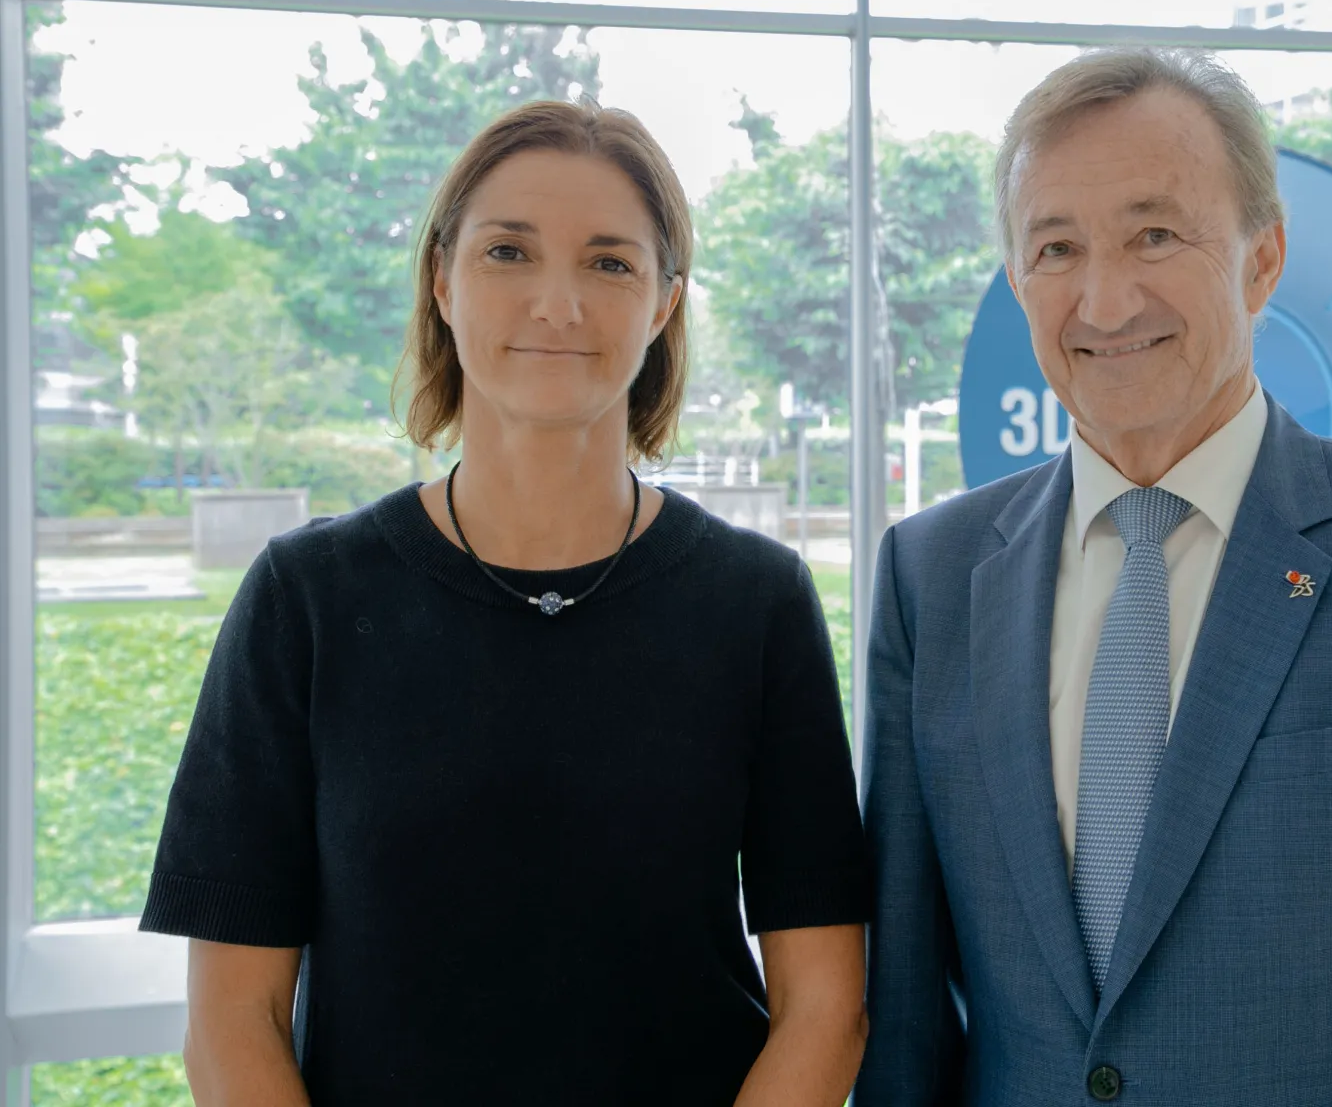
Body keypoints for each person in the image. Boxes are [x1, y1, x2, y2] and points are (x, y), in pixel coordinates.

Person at [858, 49, 1332, 1105]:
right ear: (1016, 281)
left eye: (1155, 235)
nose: (1104, 295)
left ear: (1261, 259)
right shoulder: (932, 576)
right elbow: (905, 1028)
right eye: (1056, 247)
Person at [141, 100, 869, 1105]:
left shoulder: (757, 600)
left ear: (664, 304)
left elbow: (827, 1004)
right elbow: (233, 1021)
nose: (558, 302)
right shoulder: (304, 599)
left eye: (611, 262)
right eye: (508, 252)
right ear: (442, 278)